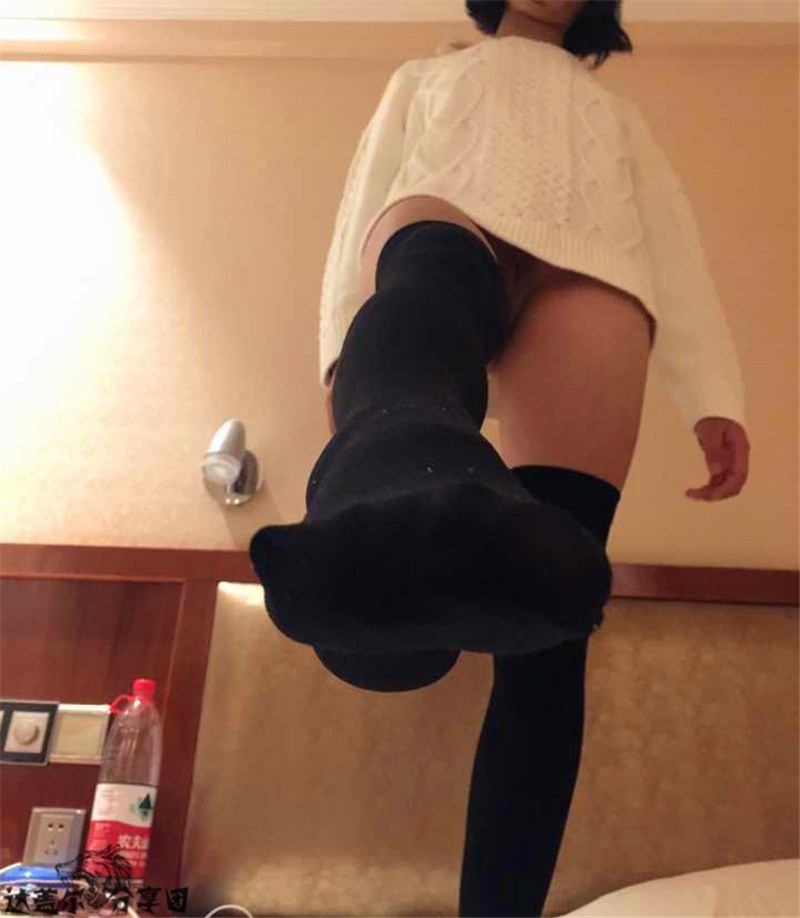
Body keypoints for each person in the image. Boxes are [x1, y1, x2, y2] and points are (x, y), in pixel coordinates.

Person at [250, 1, 752, 914]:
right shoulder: (427, 75)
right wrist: (339, 360)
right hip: (451, 227)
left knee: (548, 636)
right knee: (429, 293)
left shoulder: (616, 113)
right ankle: (396, 486)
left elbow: (673, 247)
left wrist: (715, 394)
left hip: (590, 270)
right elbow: (359, 211)